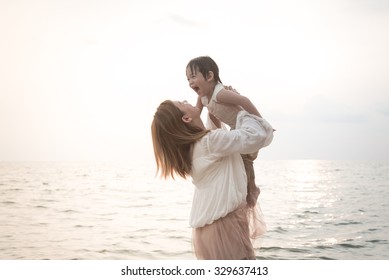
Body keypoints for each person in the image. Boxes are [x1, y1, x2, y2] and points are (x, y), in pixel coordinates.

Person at [151, 99, 274, 260]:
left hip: (206, 232)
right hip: (225, 227)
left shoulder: (194, 149)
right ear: (186, 118)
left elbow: (218, 138)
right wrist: (239, 111)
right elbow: (256, 137)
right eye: (182, 102)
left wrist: (207, 102)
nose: (187, 101)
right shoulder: (209, 143)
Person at [186, 56, 262, 208]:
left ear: (209, 76)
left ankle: (252, 187)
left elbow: (244, 100)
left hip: (246, 127)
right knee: (239, 160)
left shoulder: (220, 94)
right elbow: (196, 112)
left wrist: (261, 122)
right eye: (188, 79)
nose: (190, 82)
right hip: (235, 129)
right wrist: (185, 116)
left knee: (246, 160)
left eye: (193, 77)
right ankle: (247, 189)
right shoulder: (202, 97)